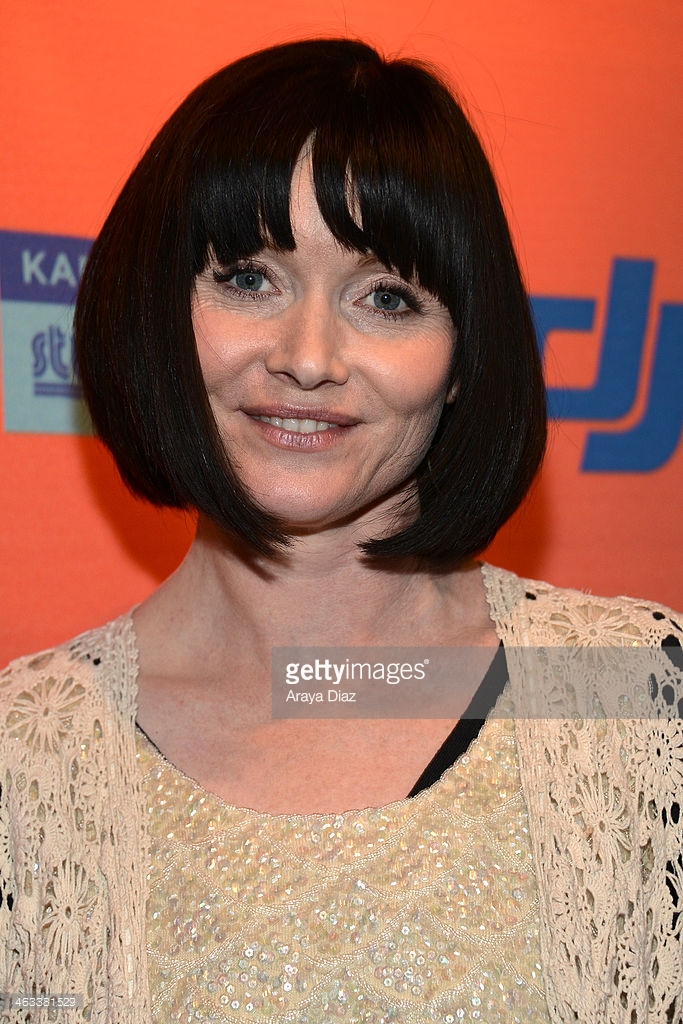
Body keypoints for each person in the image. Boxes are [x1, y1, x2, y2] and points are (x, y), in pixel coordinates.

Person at [0, 38, 680, 1024]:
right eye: (248, 279)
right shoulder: (24, 754)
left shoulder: (632, 695)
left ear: (461, 357)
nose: (309, 357)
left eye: (387, 298)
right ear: (151, 310)